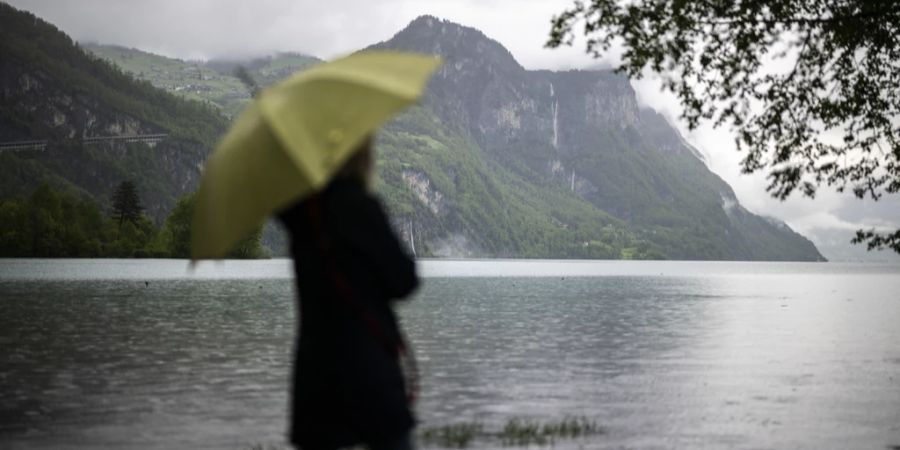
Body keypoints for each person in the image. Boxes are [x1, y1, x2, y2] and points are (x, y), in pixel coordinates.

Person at [277, 134, 420, 450]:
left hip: (315, 378)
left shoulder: (300, 214)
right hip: (369, 371)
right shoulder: (359, 206)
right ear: (359, 158)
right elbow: (404, 281)